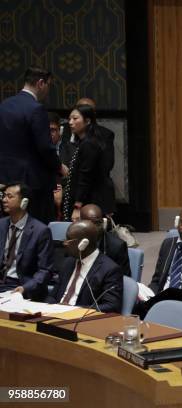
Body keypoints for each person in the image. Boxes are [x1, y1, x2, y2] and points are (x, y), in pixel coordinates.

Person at [0, 67, 67, 223]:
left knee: (9, 225)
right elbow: (44, 147)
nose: (48, 90)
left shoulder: (4, 105)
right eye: (49, 85)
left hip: (6, 179)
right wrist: (59, 167)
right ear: (41, 83)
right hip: (33, 182)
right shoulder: (36, 108)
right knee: (36, 227)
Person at [46, 220, 123, 313]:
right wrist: (48, 308)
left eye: (69, 240)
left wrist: (73, 310)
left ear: (83, 244)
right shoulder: (68, 262)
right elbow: (53, 295)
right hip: (54, 315)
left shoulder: (110, 270)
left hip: (81, 320)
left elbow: (112, 306)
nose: (65, 244)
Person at [62, 104, 116, 221]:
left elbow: (85, 176)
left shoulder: (89, 144)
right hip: (87, 198)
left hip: (91, 200)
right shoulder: (84, 142)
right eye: (70, 118)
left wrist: (77, 206)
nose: (70, 122)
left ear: (87, 121)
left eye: (75, 118)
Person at [0, 183, 53, 300]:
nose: (4, 200)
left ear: (24, 202)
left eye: (9, 196)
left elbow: (45, 270)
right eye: (4, 196)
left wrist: (25, 288)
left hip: (23, 286)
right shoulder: (1, 225)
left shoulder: (41, 231)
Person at [80, 204, 130, 277]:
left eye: (97, 223)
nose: (94, 228)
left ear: (103, 222)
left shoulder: (117, 246)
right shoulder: (74, 241)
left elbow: (123, 279)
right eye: (89, 224)